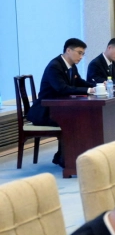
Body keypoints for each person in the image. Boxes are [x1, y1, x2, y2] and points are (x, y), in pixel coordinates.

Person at [27, 38, 94, 166]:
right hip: (45, 112)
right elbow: (62, 88)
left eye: (83, 54)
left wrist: (96, 86)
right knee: (74, 121)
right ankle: (66, 159)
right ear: (68, 50)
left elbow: (79, 82)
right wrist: (89, 90)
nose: (81, 57)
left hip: (59, 109)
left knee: (83, 117)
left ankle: (64, 156)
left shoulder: (71, 66)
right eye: (79, 53)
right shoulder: (55, 66)